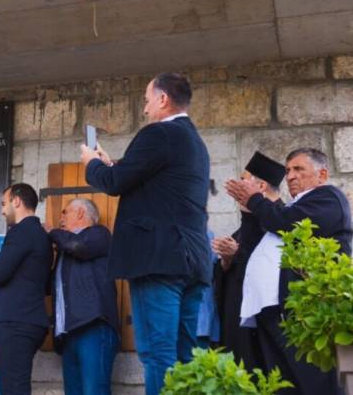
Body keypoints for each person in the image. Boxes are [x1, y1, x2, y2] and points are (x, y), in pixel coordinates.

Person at [80, 72, 212, 395]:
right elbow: (148, 183)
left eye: (147, 100)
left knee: (157, 354)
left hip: (159, 261)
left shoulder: (159, 133)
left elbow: (114, 184)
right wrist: (112, 165)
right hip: (192, 261)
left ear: (163, 99)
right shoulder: (195, 142)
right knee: (184, 354)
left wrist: (91, 164)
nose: (144, 108)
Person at [226, 148, 352, 395]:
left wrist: (255, 200)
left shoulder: (328, 197)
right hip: (271, 309)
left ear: (322, 174)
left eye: (298, 169)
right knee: (284, 383)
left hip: (305, 312)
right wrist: (249, 212)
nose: (291, 176)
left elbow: (286, 223)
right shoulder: (292, 207)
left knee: (313, 380)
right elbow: (252, 247)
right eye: (288, 170)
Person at [0, 183, 52, 395]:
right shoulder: (40, 234)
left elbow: (0, 271)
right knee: (14, 385)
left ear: (16, 201)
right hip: (27, 320)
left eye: (4, 203)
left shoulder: (22, 231)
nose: (2, 210)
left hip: (16, 322)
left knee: (14, 388)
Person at [212, 151, 285, 368]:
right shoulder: (245, 225)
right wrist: (226, 261)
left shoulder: (281, 219)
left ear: (260, 186)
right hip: (236, 316)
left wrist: (238, 255)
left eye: (243, 180)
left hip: (264, 320)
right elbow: (230, 270)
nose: (237, 185)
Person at [47, 198, 119, 395]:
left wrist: (52, 232)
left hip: (93, 328)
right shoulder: (64, 249)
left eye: (65, 212)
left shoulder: (99, 233)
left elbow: (79, 247)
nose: (60, 218)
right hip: (68, 335)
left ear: (80, 213)